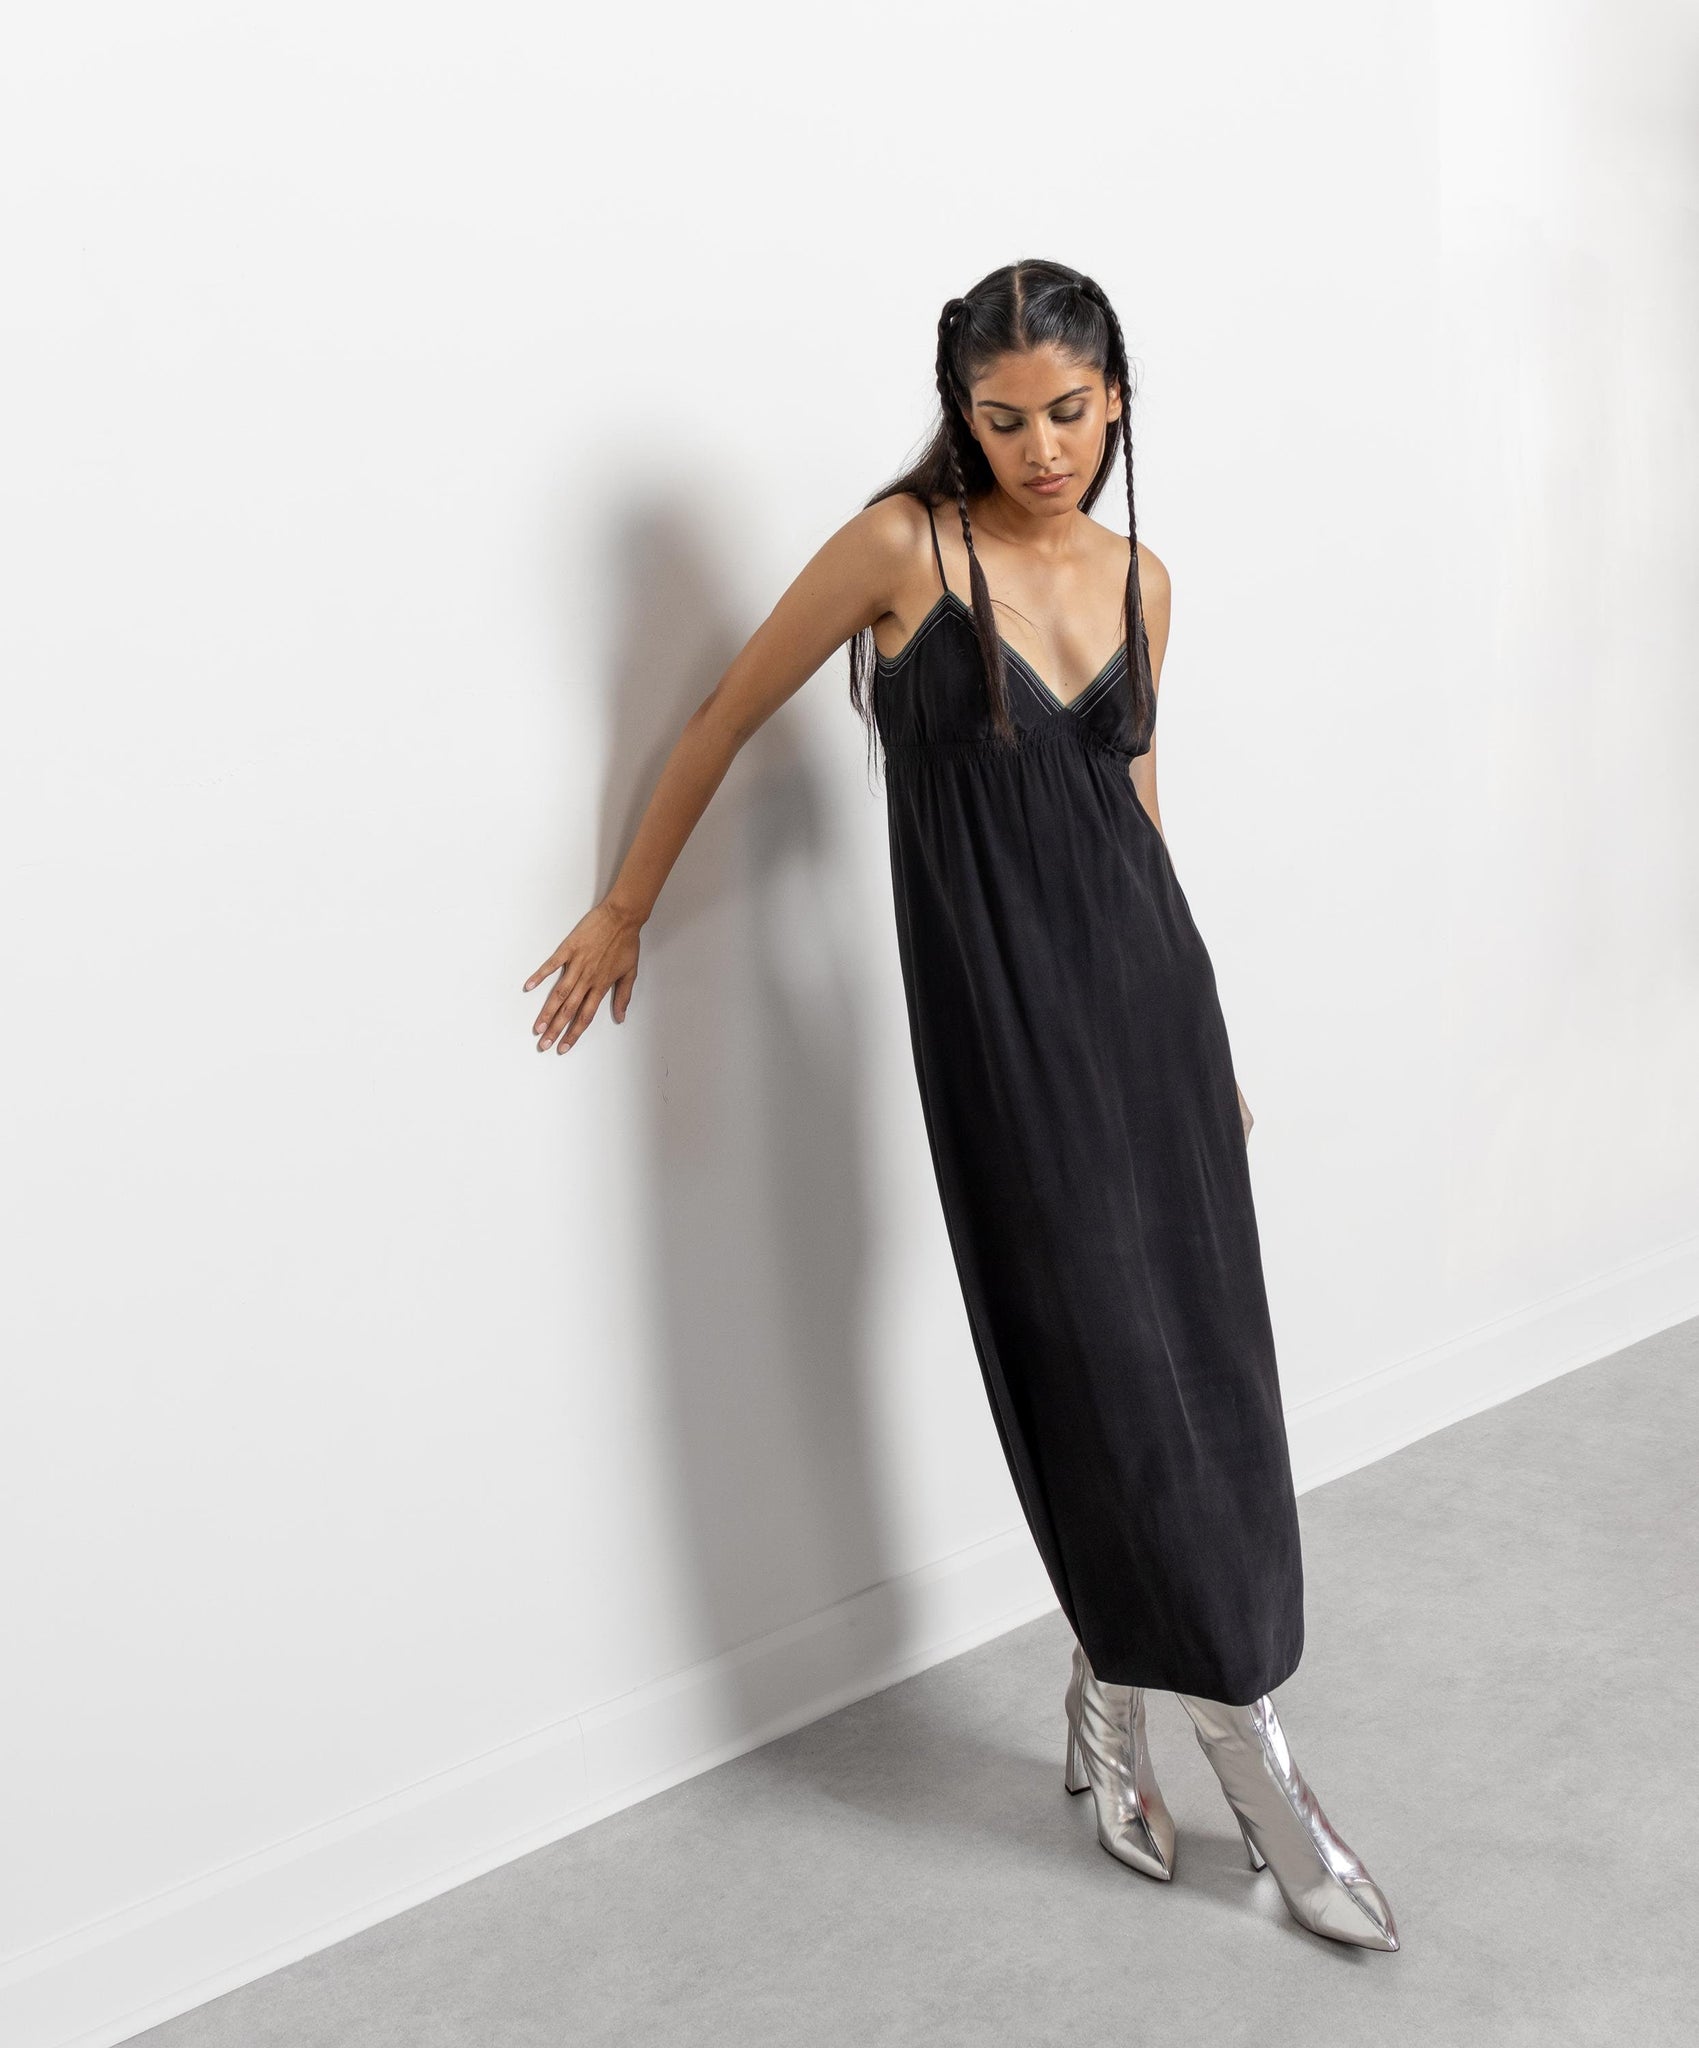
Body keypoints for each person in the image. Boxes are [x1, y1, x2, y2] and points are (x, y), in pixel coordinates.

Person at [524, 259, 1400, 1953]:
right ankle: (1261, 1772)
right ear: (961, 416)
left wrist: (1207, 1040)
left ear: (1117, 397)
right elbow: (721, 715)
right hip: (1002, 1033)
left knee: (1205, 1373)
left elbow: (1138, 817)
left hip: (1152, 1013)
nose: (1042, 448)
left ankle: (1117, 1708)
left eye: (1069, 412)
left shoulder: (1144, 580)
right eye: (1003, 420)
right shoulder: (899, 555)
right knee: (1102, 1370)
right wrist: (626, 904)